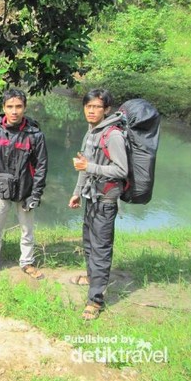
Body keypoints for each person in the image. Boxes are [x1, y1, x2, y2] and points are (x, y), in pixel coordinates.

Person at [68, 88, 128, 320]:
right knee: (89, 243)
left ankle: (95, 301)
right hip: (91, 196)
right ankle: (93, 279)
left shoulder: (112, 135)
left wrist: (89, 168)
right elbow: (84, 162)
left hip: (106, 199)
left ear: (107, 110)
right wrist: (76, 192)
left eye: (97, 107)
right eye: (88, 106)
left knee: (101, 249)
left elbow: (121, 170)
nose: (91, 111)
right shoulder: (92, 131)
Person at [0, 88, 48, 280]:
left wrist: (36, 194)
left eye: (18, 106)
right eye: (10, 106)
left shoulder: (35, 135)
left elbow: (41, 166)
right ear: (4, 108)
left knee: (27, 229)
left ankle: (27, 262)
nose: (14, 111)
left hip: (26, 190)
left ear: (25, 108)